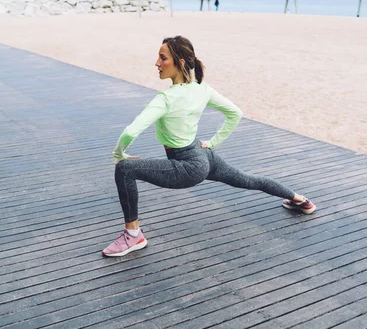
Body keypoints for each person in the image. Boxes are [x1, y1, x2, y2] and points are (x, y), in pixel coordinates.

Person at [103, 36, 316, 257]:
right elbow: (235, 113)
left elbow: (130, 132)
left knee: (125, 169)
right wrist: (213, 143)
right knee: (248, 179)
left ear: (181, 62)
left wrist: (119, 154)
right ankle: (301, 200)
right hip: (203, 155)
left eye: (162, 58)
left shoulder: (166, 98)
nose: (157, 63)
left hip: (189, 166)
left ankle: (133, 235)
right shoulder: (202, 89)